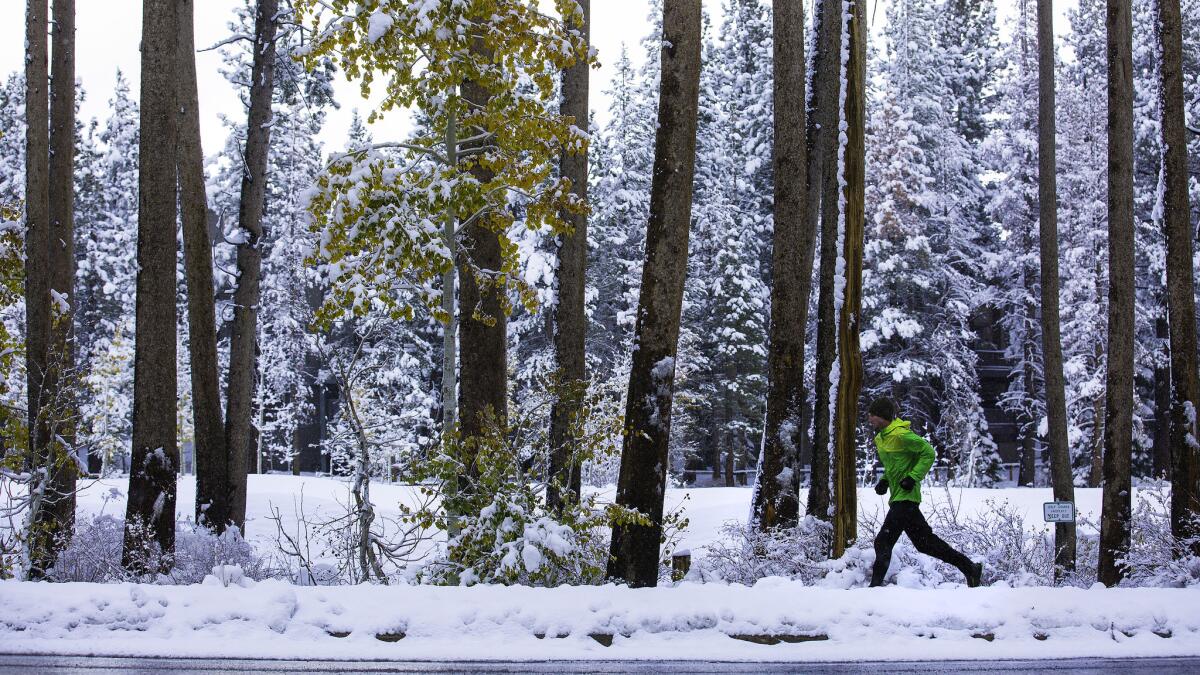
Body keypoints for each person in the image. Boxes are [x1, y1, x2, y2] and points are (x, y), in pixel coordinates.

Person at [866, 397, 983, 588]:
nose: (869, 418)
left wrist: (913, 477)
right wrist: (885, 481)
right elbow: (894, 464)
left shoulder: (901, 435)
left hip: (906, 496)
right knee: (925, 543)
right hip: (898, 496)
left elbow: (929, 452)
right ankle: (970, 568)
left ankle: (874, 589)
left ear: (882, 416)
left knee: (883, 542)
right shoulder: (881, 438)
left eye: (872, 415)